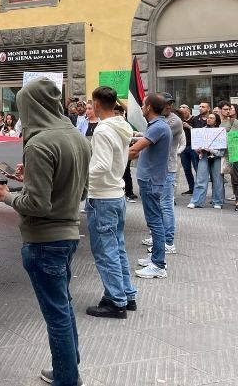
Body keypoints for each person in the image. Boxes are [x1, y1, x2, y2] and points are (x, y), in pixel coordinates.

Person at [0, 78, 90, 386]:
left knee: (56, 314)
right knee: (63, 306)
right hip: (69, 233)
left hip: (44, 239)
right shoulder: (77, 136)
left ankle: (67, 379)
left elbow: (38, 203)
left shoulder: (39, 143)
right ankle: (66, 368)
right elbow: (79, 189)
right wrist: (32, 176)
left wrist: (5, 196)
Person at [83, 87, 137, 320]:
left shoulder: (104, 130)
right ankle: (126, 294)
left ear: (96, 103)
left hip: (103, 196)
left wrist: (81, 176)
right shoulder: (122, 125)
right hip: (116, 194)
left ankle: (116, 302)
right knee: (117, 247)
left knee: (106, 251)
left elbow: (102, 165)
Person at [129, 93, 172, 280]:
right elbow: (142, 147)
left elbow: (134, 150)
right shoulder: (156, 126)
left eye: (143, 104)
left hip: (151, 181)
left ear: (149, 108)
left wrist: (113, 158)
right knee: (155, 221)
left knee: (155, 222)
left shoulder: (158, 127)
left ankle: (158, 265)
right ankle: (156, 257)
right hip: (152, 179)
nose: (141, 107)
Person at [154, 94, 183, 257]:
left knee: (166, 205)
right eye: (166, 104)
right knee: (157, 205)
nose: (169, 107)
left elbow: (152, 136)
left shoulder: (174, 121)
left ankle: (168, 242)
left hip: (167, 169)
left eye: (170, 104)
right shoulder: (159, 119)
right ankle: (159, 237)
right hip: (158, 168)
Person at [187, 112, 225, 209]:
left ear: (216, 121)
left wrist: (211, 150)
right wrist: (198, 150)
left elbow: (222, 151)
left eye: (212, 118)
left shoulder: (221, 131)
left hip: (216, 157)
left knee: (218, 180)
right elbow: (195, 146)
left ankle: (217, 201)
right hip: (203, 156)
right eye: (208, 118)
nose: (209, 119)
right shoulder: (201, 131)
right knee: (200, 179)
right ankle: (196, 201)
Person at [220, 101, 238, 204]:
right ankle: (219, 199)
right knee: (219, 176)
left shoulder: (235, 122)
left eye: (229, 109)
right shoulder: (218, 121)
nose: (228, 111)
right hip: (219, 152)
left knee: (235, 177)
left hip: (233, 152)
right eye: (225, 109)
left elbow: (232, 136)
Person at [178, 104, 196, 195]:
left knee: (197, 168)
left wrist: (188, 126)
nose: (183, 114)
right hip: (183, 147)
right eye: (181, 113)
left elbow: (198, 132)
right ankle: (191, 188)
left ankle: (199, 189)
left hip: (193, 146)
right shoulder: (179, 120)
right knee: (187, 169)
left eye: (184, 112)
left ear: (188, 111)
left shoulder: (195, 119)